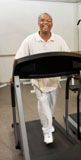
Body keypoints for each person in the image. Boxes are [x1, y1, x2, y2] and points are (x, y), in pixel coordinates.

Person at [14, 13, 70, 144]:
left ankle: (48, 123)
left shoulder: (59, 39)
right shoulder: (30, 40)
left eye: (49, 20)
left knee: (50, 105)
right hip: (38, 81)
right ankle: (47, 130)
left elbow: (67, 55)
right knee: (43, 103)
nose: (46, 22)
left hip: (54, 81)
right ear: (38, 23)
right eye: (43, 20)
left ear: (52, 24)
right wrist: (13, 74)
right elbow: (18, 58)